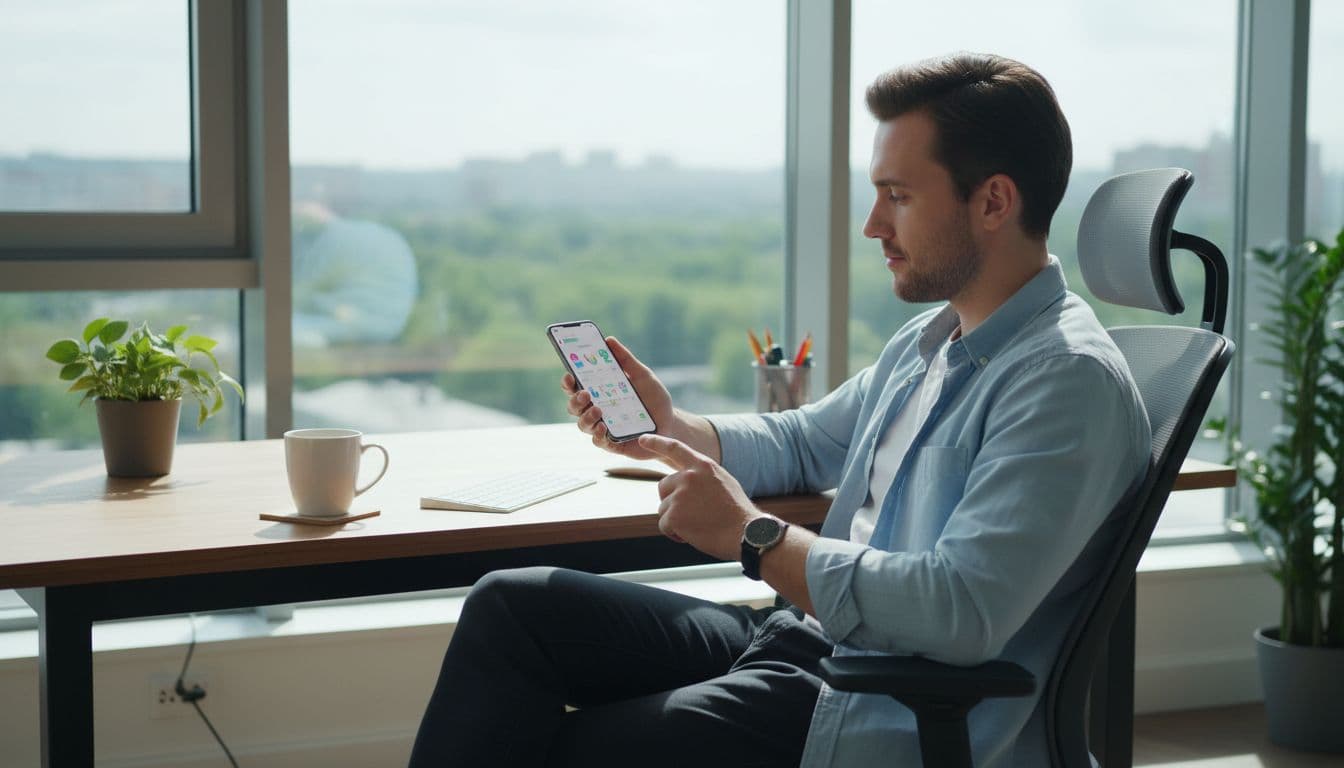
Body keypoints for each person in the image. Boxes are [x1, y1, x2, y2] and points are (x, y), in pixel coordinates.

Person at [409, 52, 1151, 768]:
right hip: (806, 636)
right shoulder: (931, 343)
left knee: (557, 749)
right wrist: (670, 426)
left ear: (992, 201)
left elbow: (957, 611)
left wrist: (751, 536)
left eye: (898, 195)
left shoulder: (1063, 382)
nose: (872, 224)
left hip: (877, 695)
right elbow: (801, 441)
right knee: (514, 605)